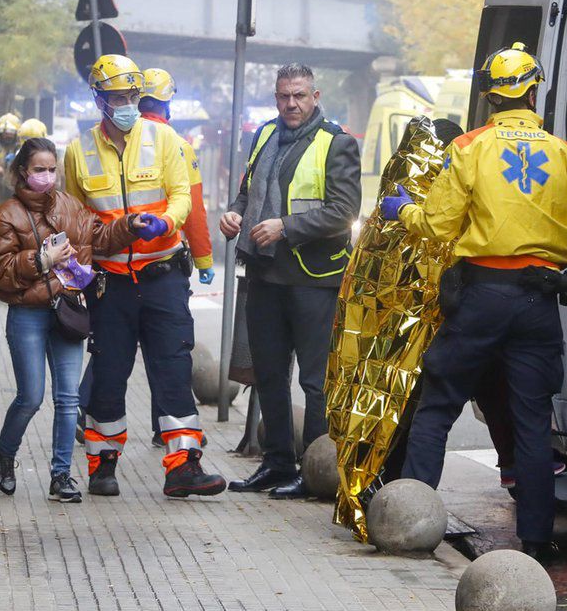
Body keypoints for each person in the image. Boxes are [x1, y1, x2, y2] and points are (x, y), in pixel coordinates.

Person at [378, 42, 567, 560]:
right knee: (530, 423)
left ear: (490, 95)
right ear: (534, 88)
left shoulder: (470, 148)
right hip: (537, 301)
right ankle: (538, 542)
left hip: (479, 296)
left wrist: (401, 209)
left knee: (436, 408)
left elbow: (435, 225)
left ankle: (412, 527)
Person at [64, 54, 225, 499]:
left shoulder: (165, 139)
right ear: (99, 99)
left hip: (163, 276)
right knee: (111, 372)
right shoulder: (79, 151)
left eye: (134, 95)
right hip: (110, 282)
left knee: (173, 367)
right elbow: (75, 220)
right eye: (119, 96)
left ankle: (184, 466)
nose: (128, 104)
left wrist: (166, 223)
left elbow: (182, 196)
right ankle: (102, 464)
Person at [221, 63, 361, 498]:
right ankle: (277, 462)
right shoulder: (264, 134)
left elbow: (343, 211)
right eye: (283, 96)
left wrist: (286, 225)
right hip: (265, 273)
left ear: (315, 96)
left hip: (314, 279)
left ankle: (314, 470)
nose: (291, 104)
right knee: (268, 373)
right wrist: (235, 213)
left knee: (315, 380)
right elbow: (248, 191)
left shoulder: (336, 143)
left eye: (299, 95)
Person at [0, 137, 140, 502]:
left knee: (69, 399)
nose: (47, 177)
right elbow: (1, 275)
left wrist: (130, 225)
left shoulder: (72, 206)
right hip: (28, 314)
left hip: (68, 311)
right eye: (39, 170)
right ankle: (5, 453)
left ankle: (61, 476)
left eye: (52, 169)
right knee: (30, 396)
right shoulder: (7, 215)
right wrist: (42, 261)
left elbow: (98, 237)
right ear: (23, 171)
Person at [140, 69, 214, 285]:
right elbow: (193, 209)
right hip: (163, 260)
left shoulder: (121, 141)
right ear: (167, 103)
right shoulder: (179, 145)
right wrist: (203, 260)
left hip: (117, 263)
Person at [0, 112, 21, 204]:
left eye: (10, 133)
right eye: (3, 133)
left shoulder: (21, 150)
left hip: (16, 197)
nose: (6, 136)